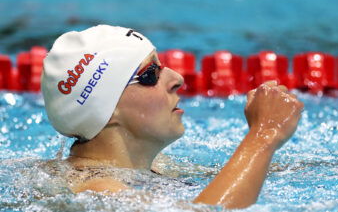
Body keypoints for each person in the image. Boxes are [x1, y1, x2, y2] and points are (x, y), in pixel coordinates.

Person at [41, 25, 304, 209]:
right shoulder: (98, 191)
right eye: (150, 74)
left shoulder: (153, 168)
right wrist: (264, 136)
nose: (177, 78)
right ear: (107, 109)